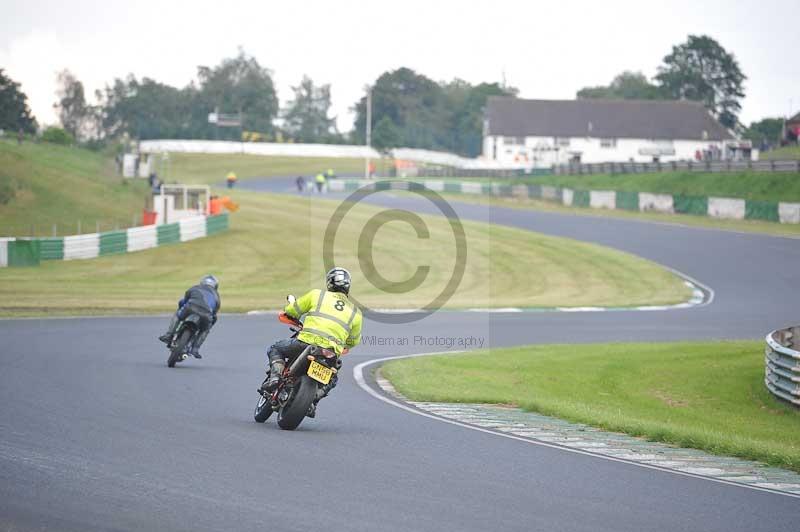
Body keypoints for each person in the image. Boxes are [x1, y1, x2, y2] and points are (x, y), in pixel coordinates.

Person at [260, 267, 362, 414]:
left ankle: (275, 378)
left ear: (329, 283)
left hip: (306, 342)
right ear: (348, 286)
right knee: (333, 378)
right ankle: (313, 400)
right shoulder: (356, 313)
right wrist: (343, 344)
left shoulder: (317, 295)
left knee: (275, 348)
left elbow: (292, 311)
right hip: (330, 352)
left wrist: (290, 306)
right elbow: (353, 341)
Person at [159, 275, 221, 359]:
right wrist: (210, 323)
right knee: (205, 329)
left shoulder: (194, 288)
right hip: (205, 314)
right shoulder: (217, 296)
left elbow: (183, 301)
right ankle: (195, 349)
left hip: (190, 308)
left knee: (177, 315)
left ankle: (168, 335)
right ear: (216, 286)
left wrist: (181, 308)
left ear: (202, 282)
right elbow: (214, 314)